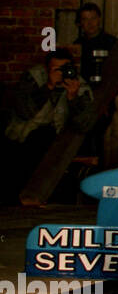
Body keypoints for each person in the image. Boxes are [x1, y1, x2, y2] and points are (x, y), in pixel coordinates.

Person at [1, 49, 97, 202]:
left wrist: (73, 99)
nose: (60, 73)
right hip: (24, 139)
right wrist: (48, 87)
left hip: (58, 144)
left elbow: (85, 125)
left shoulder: (79, 85)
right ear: (47, 69)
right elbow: (24, 111)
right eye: (56, 69)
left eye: (64, 69)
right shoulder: (33, 79)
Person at [73, 2, 117, 156]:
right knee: (82, 142)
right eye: (85, 19)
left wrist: (104, 101)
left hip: (104, 99)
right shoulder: (77, 46)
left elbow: (115, 75)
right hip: (83, 101)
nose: (90, 23)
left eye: (93, 18)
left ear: (99, 19)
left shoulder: (111, 43)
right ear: (80, 23)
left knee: (97, 139)